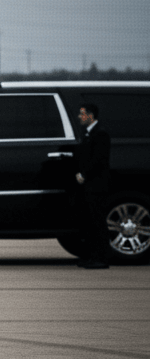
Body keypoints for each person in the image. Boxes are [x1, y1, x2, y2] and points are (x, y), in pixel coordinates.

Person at [74, 102, 111, 269]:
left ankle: (102, 259)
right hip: (89, 186)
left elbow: (98, 159)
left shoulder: (100, 134)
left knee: (98, 223)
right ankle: (92, 257)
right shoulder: (89, 134)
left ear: (91, 115)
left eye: (82, 114)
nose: (79, 117)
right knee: (90, 222)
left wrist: (84, 174)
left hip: (97, 185)